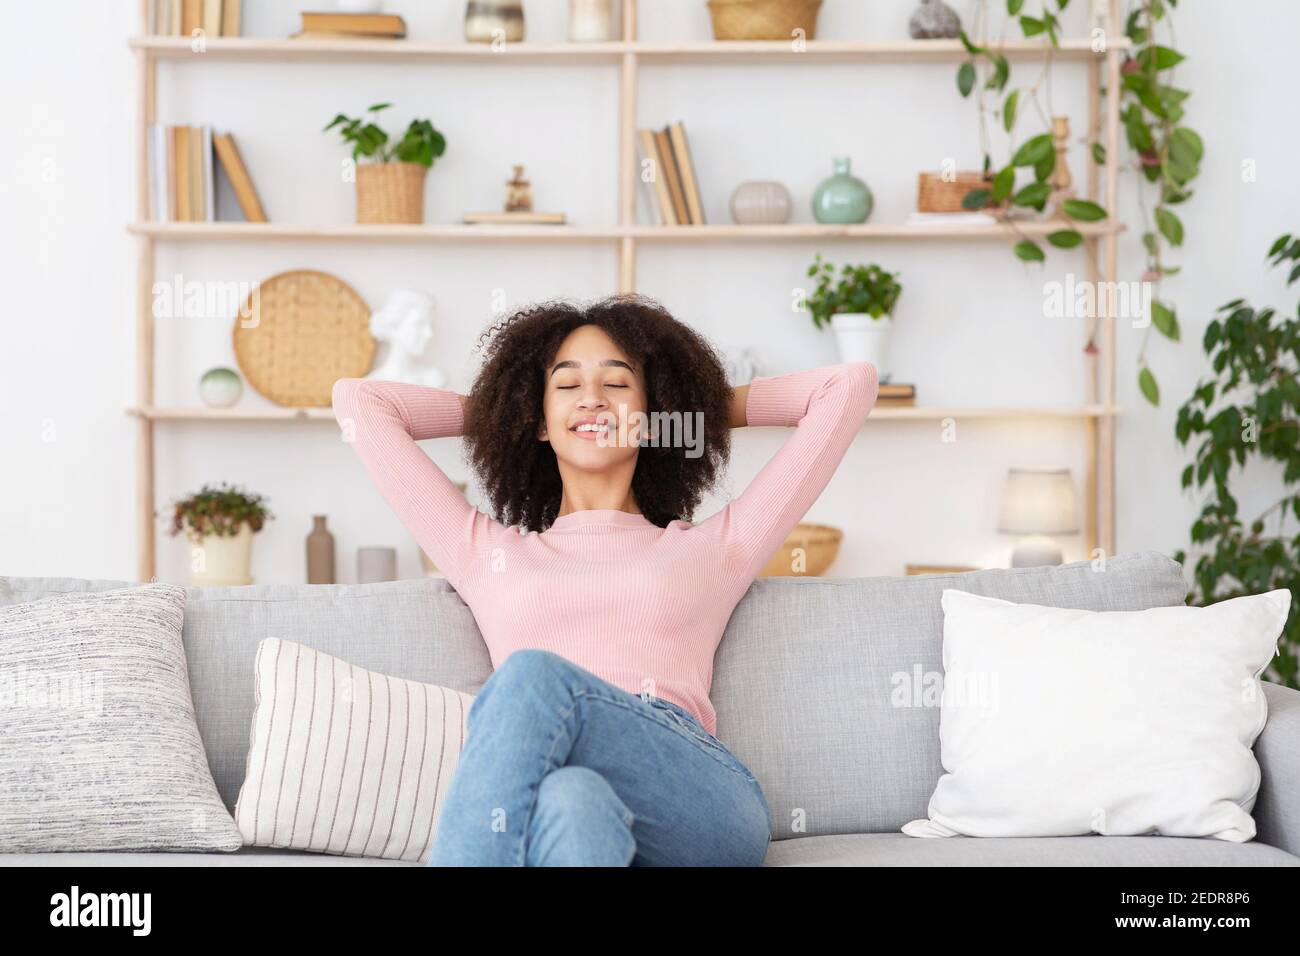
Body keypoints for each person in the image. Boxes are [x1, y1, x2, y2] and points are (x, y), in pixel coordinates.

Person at [331, 293, 879, 866]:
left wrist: (682, 411)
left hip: (695, 797)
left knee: (531, 675)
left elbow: (846, 388)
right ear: (538, 420)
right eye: (566, 386)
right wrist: (508, 412)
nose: (591, 398)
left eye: (617, 385)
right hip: (565, 788)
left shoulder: (713, 548)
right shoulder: (486, 553)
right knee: (572, 799)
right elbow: (361, 402)